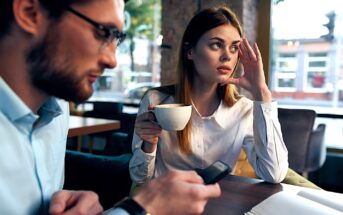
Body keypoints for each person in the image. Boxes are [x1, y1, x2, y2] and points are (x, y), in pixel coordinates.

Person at [0, 0, 221, 214]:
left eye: (118, 38)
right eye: (103, 32)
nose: (112, 60)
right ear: (30, 13)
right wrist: (138, 209)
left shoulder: (58, 111)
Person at [129, 6, 289, 186]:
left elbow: (274, 173)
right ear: (190, 51)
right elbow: (140, 179)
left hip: (219, 205)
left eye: (234, 47)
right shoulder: (156, 101)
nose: (227, 56)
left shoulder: (243, 109)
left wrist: (262, 92)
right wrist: (148, 145)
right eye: (216, 45)